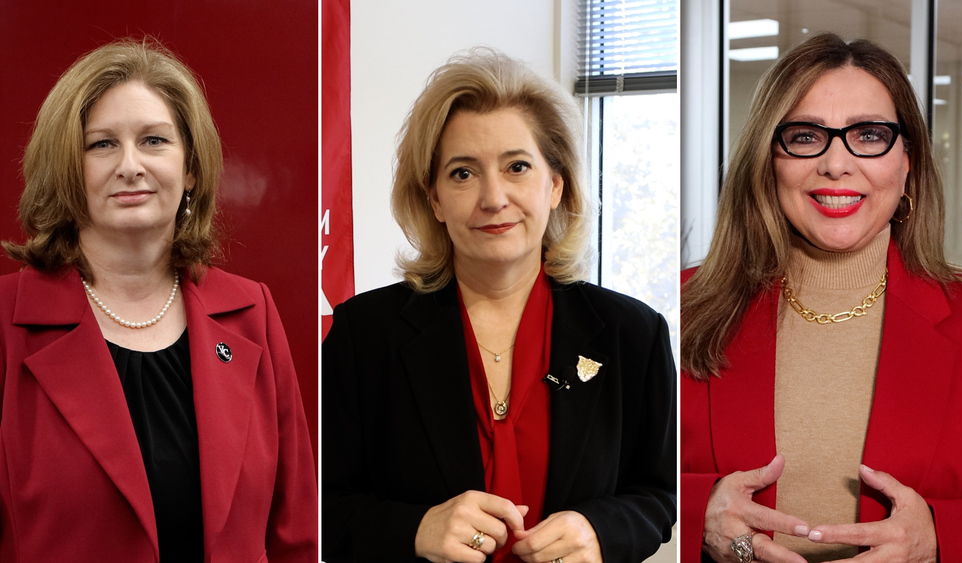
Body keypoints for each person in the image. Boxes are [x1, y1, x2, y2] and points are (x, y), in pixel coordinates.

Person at [323, 48, 676, 563]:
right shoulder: (365, 334)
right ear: (434, 199)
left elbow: (659, 493)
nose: (493, 198)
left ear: (555, 185)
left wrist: (602, 530)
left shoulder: (633, 334)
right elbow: (321, 507)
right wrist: (417, 529)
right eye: (463, 174)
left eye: (516, 167)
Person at [680, 32, 962, 563]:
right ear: (769, 159)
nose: (835, 164)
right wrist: (702, 514)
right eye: (806, 137)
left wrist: (944, 538)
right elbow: (624, 483)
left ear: (908, 160)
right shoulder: (679, 306)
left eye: (869, 135)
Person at [0, 39, 317, 562]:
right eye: (101, 144)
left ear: (190, 168)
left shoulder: (251, 312)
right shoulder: (9, 321)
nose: (130, 165)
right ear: (66, 169)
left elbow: (295, 531)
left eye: (153, 140)